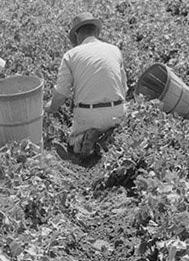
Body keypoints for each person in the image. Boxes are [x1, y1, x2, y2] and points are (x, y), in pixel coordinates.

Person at [44, 12, 128, 156]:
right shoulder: (115, 50)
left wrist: (49, 108)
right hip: (117, 112)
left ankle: (81, 139)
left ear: (77, 35)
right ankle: (108, 136)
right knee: (119, 131)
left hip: (89, 115)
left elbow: (61, 95)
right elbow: (124, 88)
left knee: (72, 144)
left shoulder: (71, 55)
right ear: (96, 31)